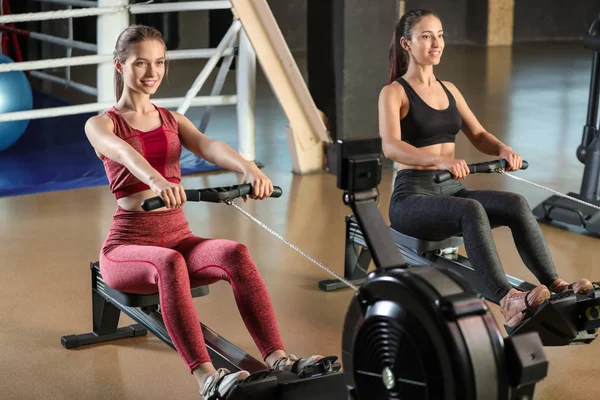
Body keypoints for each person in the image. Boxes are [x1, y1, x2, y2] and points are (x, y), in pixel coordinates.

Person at [84, 25, 327, 399]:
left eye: (160, 63)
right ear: (120, 66)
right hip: (127, 246)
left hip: (179, 237)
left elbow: (210, 146)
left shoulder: (172, 119)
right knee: (169, 263)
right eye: (141, 64)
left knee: (235, 253)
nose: (152, 73)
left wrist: (250, 169)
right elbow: (123, 154)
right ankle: (207, 379)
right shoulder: (102, 124)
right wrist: (157, 180)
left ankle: (278, 358)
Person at [379, 9, 594, 329]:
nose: (436, 43)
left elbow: (478, 135)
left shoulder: (449, 89)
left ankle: (554, 284)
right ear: (406, 44)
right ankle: (508, 300)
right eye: (426, 36)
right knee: (471, 210)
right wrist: (439, 160)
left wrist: (502, 149)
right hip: (412, 197)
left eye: (440, 35)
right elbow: (391, 146)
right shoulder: (394, 92)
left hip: (451, 189)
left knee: (516, 204)